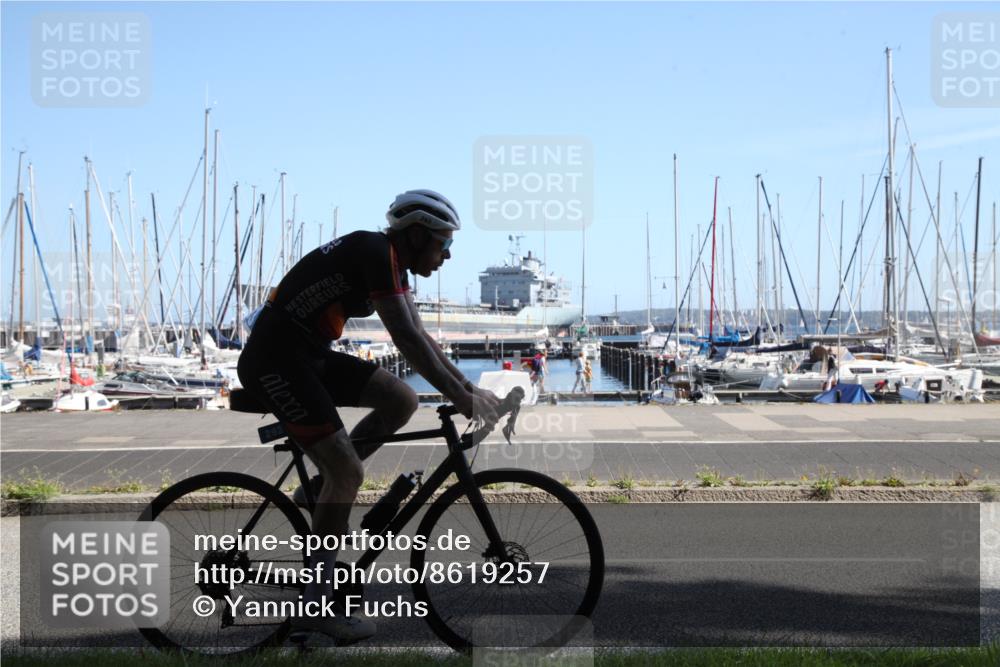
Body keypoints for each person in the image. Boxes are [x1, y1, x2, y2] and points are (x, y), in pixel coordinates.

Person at [237, 189, 500, 643]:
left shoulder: (391, 261)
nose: (448, 254)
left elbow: (421, 334)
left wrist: (468, 388)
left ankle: (319, 490)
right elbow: (408, 342)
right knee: (349, 473)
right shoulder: (376, 253)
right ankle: (316, 607)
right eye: (443, 243)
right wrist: (459, 398)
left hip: (307, 355)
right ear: (416, 236)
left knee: (401, 399)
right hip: (275, 360)